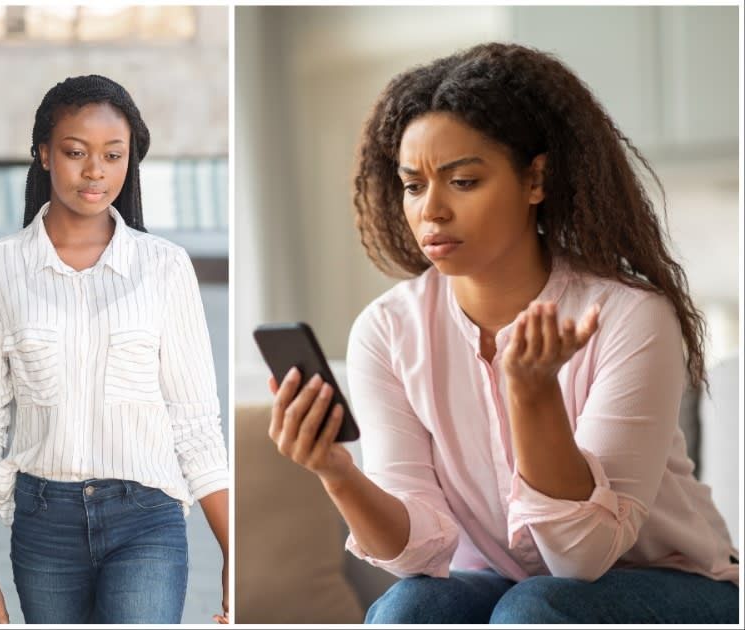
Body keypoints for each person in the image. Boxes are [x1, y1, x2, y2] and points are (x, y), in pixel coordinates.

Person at [267, 42, 738, 624]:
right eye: (413, 186)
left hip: (675, 585)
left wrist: (533, 395)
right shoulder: (387, 331)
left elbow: (583, 559)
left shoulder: (630, 316)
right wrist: (334, 470)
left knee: (534, 608)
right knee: (407, 609)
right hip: (511, 588)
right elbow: (419, 552)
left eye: (462, 181)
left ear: (535, 180)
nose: (431, 211)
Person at [0, 75, 230, 624]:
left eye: (113, 154)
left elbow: (196, 423)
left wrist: (234, 555)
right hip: (43, 524)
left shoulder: (166, 267)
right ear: (44, 155)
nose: (95, 170)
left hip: (147, 519)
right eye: (76, 152)